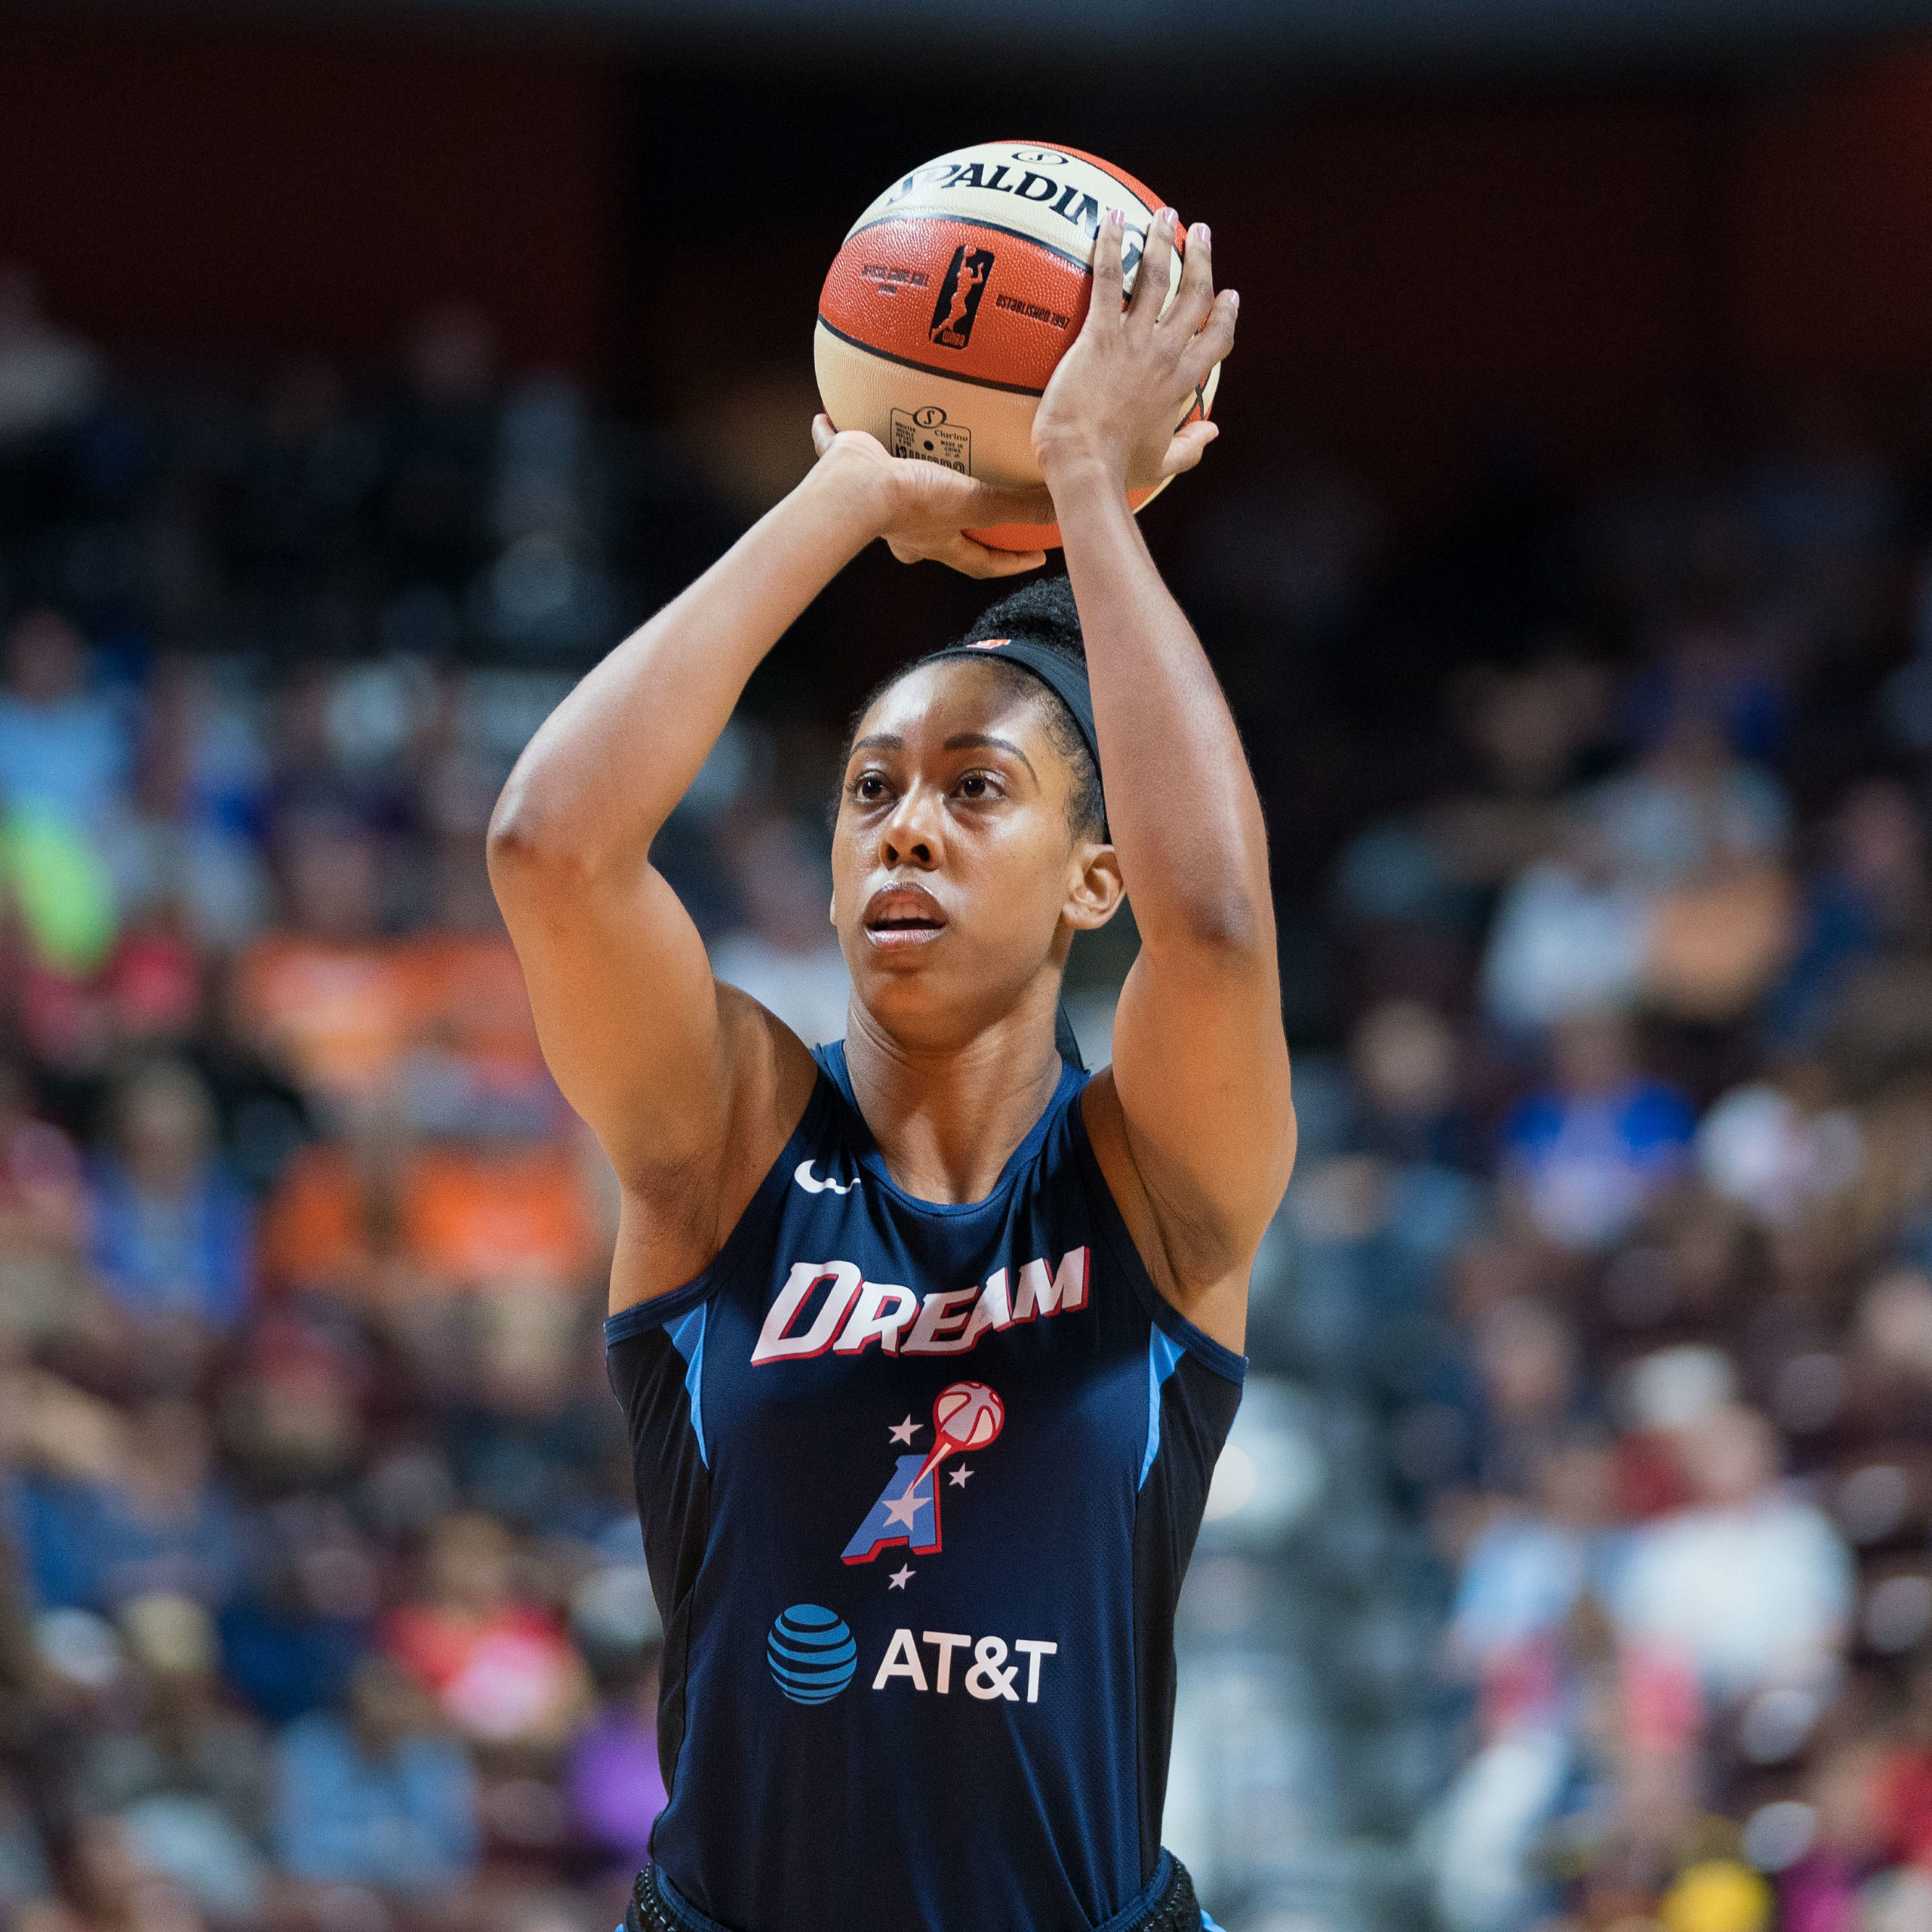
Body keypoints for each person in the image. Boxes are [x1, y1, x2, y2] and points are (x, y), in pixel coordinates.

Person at [488, 209, 1294, 1932]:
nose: (905, 827)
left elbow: (1218, 924)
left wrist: (1087, 489)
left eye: (974, 788)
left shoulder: (1147, 1178)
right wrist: (849, 489)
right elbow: (550, 845)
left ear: (1095, 878)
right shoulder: (730, 1139)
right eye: (871, 789)